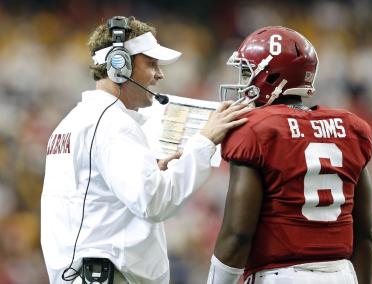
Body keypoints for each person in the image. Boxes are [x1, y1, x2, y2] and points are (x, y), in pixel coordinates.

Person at [40, 16, 250, 284]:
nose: (159, 74)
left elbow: (99, 201)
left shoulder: (71, 123)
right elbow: (154, 202)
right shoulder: (112, 123)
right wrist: (205, 140)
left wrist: (157, 171)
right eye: (151, 64)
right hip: (105, 276)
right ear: (119, 65)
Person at [207, 26, 372, 284]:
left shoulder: (255, 129)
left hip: (282, 275)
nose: (242, 82)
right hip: (341, 274)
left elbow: (237, 234)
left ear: (271, 77)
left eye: (246, 72)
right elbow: (365, 234)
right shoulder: (350, 128)